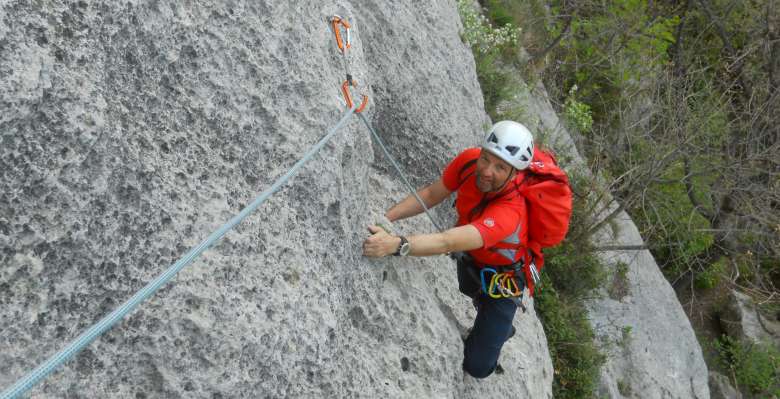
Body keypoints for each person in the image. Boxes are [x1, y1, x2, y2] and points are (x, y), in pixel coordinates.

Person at [362, 120, 535, 378]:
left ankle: (497, 329)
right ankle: (490, 324)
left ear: (515, 173)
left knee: (477, 366)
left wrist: (395, 245)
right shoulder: (469, 162)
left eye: (500, 167)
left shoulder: (511, 212)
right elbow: (432, 194)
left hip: (502, 279)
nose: (487, 170)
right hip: (472, 257)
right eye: (486, 158)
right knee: (467, 286)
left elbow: (448, 241)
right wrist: (387, 218)